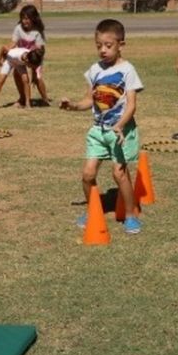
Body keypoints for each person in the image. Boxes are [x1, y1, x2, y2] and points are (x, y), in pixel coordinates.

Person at [60, 19, 144, 234]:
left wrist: (120, 125)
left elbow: (132, 105)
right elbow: (90, 100)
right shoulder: (94, 70)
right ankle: (93, 210)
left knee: (119, 174)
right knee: (87, 175)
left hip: (120, 131)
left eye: (108, 45)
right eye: (99, 46)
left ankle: (131, 214)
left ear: (121, 45)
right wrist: (73, 106)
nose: (103, 50)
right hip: (98, 131)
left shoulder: (127, 70)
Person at [0, 5, 47, 109]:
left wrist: (34, 69)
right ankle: (23, 99)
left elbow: (39, 50)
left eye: (27, 18)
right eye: (23, 18)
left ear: (33, 18)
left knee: (37, 78)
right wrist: (7, 51)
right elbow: (13, 43)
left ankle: (45, 99)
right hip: (21, 57)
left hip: (34, 57)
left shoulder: (37, 32)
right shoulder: (18, 28)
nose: (24, 21)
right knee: (17, 75)